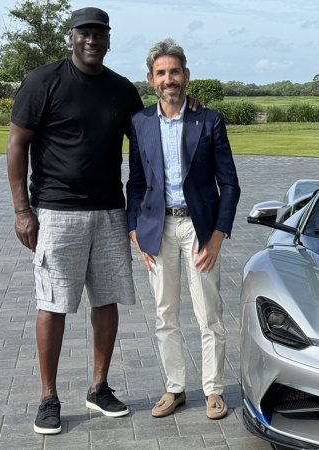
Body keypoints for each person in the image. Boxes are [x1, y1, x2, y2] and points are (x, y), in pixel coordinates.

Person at [6, 7, 143, 435]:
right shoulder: (42, 81)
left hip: (109, 212)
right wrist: (21, 210)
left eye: (99, 34)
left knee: (106, 301)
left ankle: (98, 387)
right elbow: (16, 144)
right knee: (53, 304)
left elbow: (147, 143)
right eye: (84, 33)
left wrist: (186, 105)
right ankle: (48, 397)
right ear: (71, 37)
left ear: (108, 39)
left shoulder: (122, 90)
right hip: (55, 213)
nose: (92, 40)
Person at [126, 39, 241, 420]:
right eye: (161, 73)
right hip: (158, 232)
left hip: (200, 232)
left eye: (175, 71)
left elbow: (230, 184)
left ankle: (213, 390)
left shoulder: (209, 120)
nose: (169, 79)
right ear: (151, 79)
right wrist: (135, 232)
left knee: (209, 314)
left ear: (186, 75)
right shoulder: (140, 123)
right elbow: (136, 184)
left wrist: (218, 238)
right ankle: (174, 388)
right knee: (165, 315)